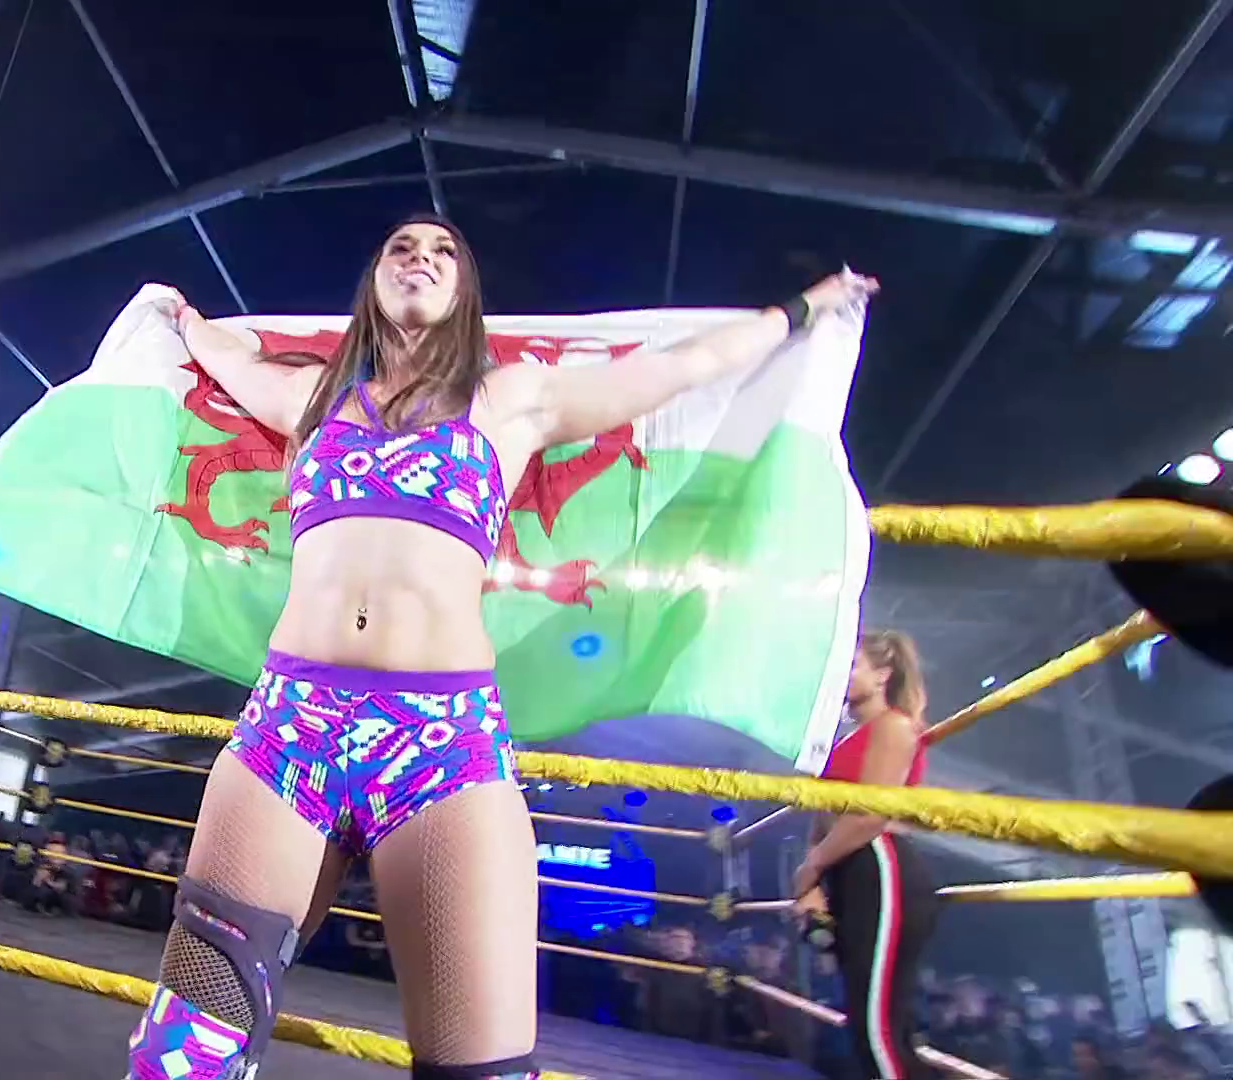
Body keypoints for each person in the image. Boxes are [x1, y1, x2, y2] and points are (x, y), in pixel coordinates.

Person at [125, 213, 878, 1080]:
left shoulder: (512, 400)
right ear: (374, 280)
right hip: (288, 727)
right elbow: (226, 359)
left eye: (443, 251)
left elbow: (685, 367)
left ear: (465, 291)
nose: (421, 257)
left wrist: (804, 308)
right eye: (402, 247)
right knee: (182, 1058)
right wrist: (181, 317)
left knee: (481, 1071)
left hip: (440, 744)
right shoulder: (314, 400)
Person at [791, 630, 938, 1079]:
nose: (841, 674)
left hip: (880, 866)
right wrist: (812, 884)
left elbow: (870, 816)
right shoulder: (842, 741)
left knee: (877, 1031)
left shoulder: (893, 726)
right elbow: (824, 819)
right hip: (850, 869)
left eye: (852, 665)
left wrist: (812, 866)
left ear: (882, 675)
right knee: (866, 1024)